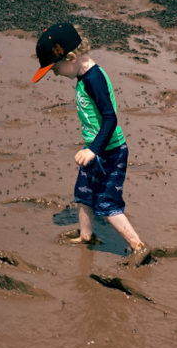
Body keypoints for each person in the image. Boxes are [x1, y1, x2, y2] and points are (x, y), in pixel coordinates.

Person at [32, 22, 149, 267]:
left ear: (72, 57)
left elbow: (110, 118)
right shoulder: (83, 76)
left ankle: (138, 246)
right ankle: (86, 236)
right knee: (83, 194)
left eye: (55, 68)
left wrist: (93, 150)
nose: (54, 74)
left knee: (107, 203)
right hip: (95, 150)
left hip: (110, 152)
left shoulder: (94, 79)